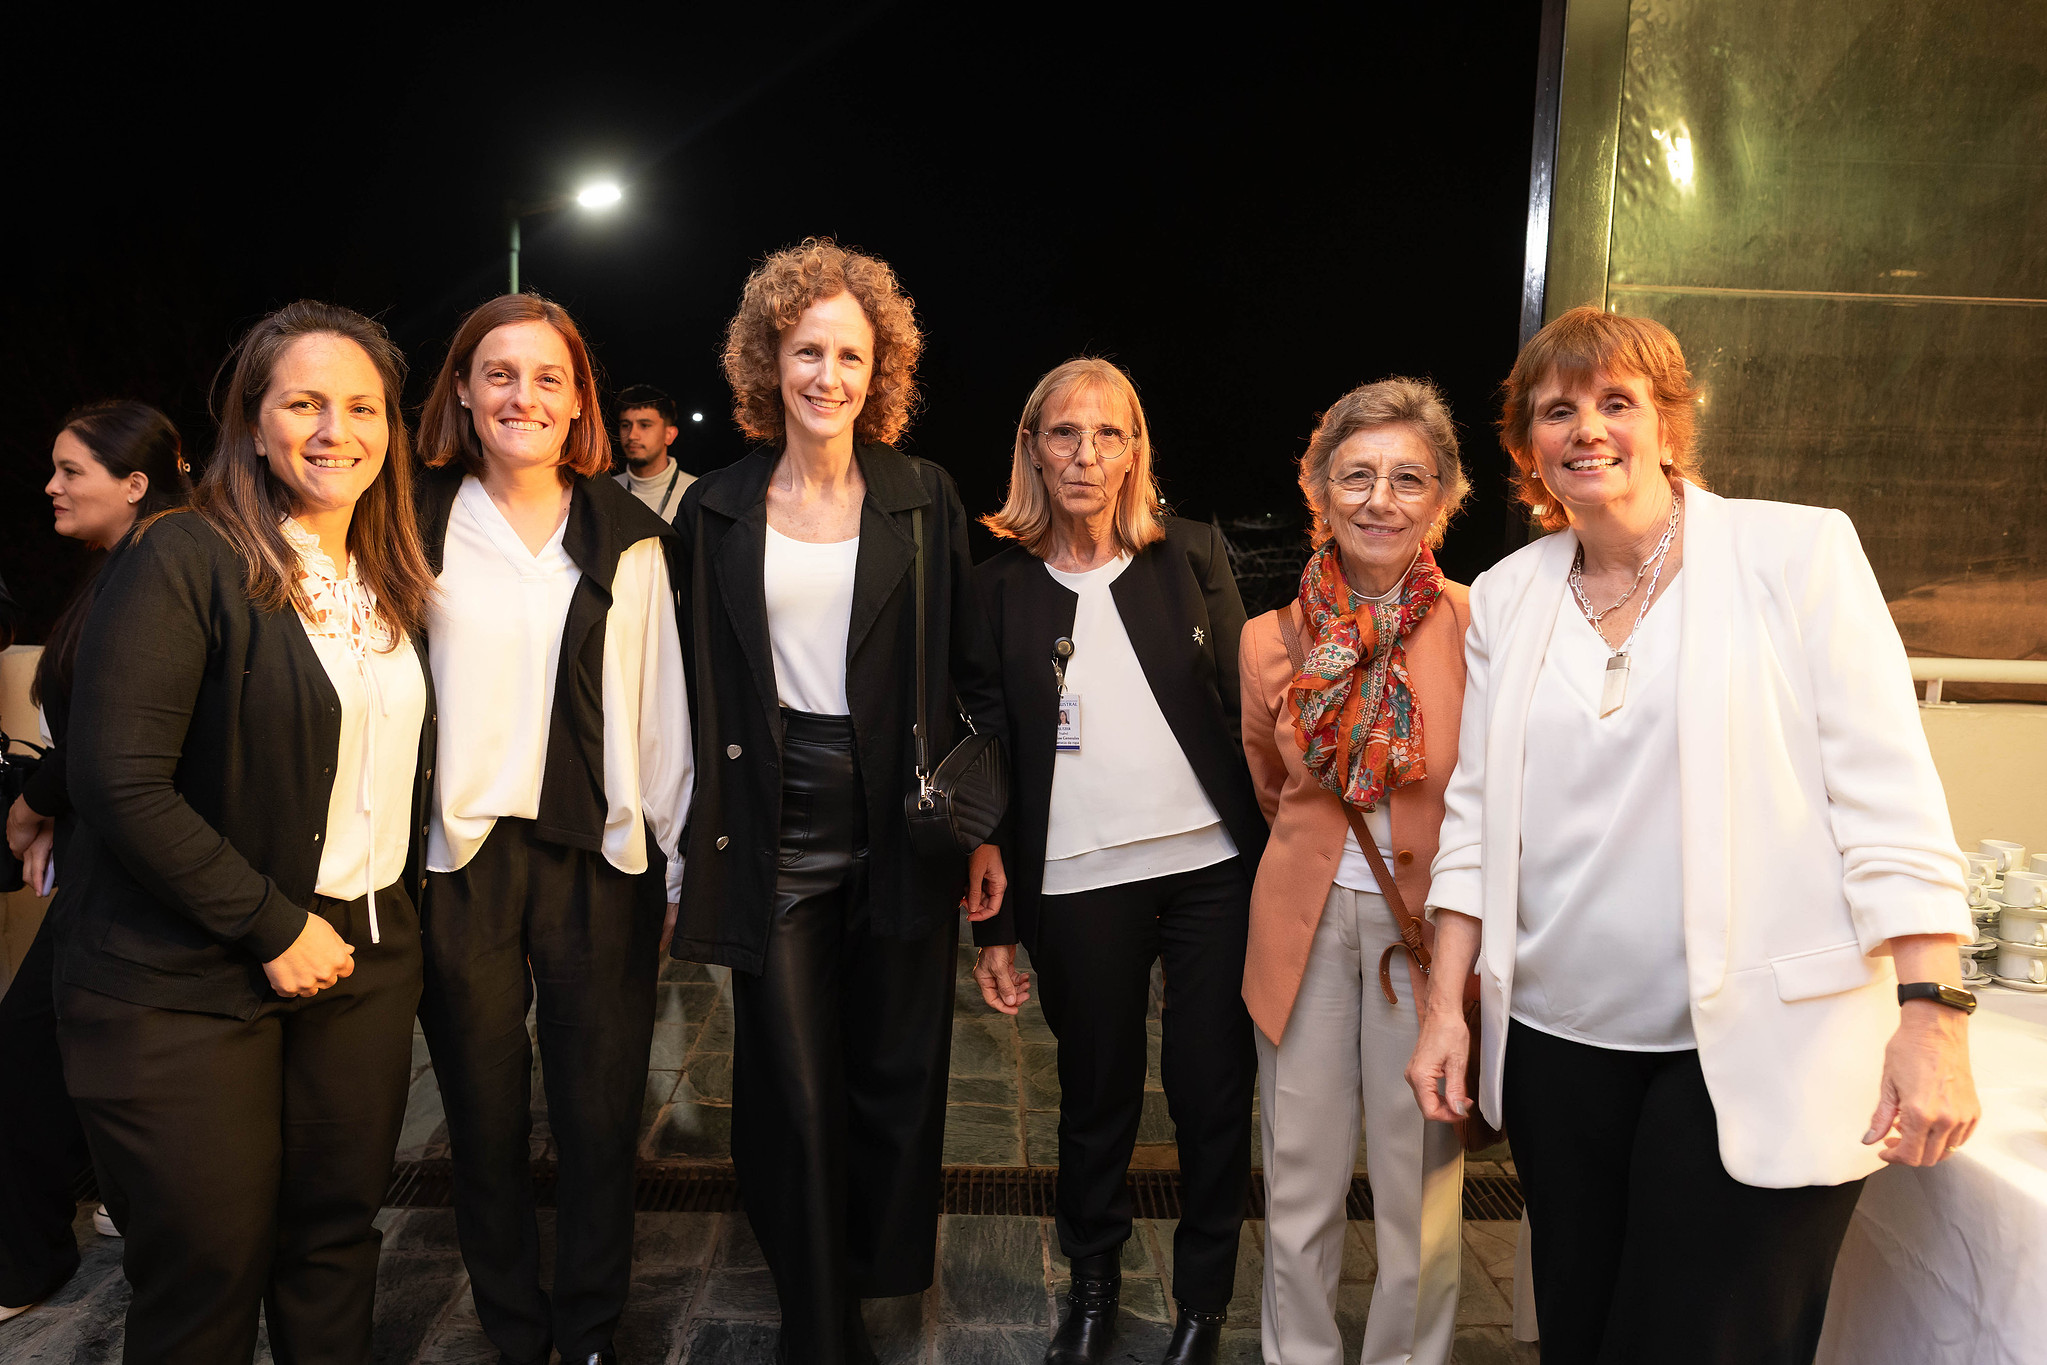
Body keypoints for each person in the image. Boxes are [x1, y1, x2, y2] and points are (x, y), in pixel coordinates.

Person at [1404, 306, 1980, 1365]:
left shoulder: (1794, 553)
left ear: (1668, 424)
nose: (1587, 428)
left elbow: (1888, 798)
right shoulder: (1507, 596)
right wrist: (1446, 1006)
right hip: (1559, 1049)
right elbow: (1476, 819)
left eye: (1616, 402)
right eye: (1556, 410)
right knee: (1580, 1337)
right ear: (1528, 448)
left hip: (1758, 1044)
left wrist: (1929, 1012)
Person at [55, 301, 438, 1362]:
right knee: (207, 1269)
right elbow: (115, 778)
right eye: (304, 403)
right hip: (184, 978)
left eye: (363, 406)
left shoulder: (386, 578)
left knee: (333, 1246)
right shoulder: (184, 552)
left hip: (359, 965)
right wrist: (273, 925)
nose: (336, 430)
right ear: (254, 423)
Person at [670, 237, 1005, 1364]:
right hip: (770, 818)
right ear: (768, 362)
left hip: (902, 820)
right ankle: (816, 1324)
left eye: (850, 355)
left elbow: (970, 673)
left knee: (893, 1072)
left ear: (881, 370)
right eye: (807, 351)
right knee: (793, 1084)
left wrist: (982, 831)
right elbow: (686, 684)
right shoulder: (716, 507)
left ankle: (869, 1270)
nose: (828, 375)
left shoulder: (923, 496)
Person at [413, 293, 692, 1365]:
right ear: (462, 390)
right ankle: (511, 1325)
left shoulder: (631, 534)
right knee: (480, 1115)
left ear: (578, 401)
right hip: (460, 856)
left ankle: (587, 1326)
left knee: (598, 1110)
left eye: (546, 378)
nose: (520, 396)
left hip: (601, 857)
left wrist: (674, 861)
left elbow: (660, 707)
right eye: (498, 373)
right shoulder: (416, 522)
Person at [969, 358, 1264, 1365]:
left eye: (1108, 433)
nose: (1085, 455)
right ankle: (1091, 1291)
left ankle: (1201, 1306)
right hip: (1077, 877)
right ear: (1032, 448)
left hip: (1211, 872)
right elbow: (989, 756)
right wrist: (996, 924)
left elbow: (1244, 714)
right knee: (1095, 1099)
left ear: (1136, 449)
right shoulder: (996, 586)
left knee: (1210, 1094)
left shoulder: (1191, 552)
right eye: (1064, 432)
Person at [1241, 377, 1473, 1365]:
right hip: (1299, 930)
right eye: (1357, 476)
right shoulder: (1270, 639)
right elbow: (1273, 787)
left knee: (1421, 1186)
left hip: (1429, 941)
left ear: (1441, 499)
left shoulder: (1479, 627)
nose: (1380, 499)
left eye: (1407, 478)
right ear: (1319, 490)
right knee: (1297, 1177)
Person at [1, 401, 190, 1322]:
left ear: (135, 483)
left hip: (128, 868)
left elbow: (105, 738)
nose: (51, 486)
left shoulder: (152, 578)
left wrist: (31, 805)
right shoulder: (120, 571)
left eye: (71, 469)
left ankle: (25, 1266)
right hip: (103, 859)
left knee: (28, 1053)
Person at [614, 382, 694, 522]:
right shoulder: (605, 491)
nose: (632, 435)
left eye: (644, 425)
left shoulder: (694, 493)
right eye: (625, 425)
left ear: (669, 435)